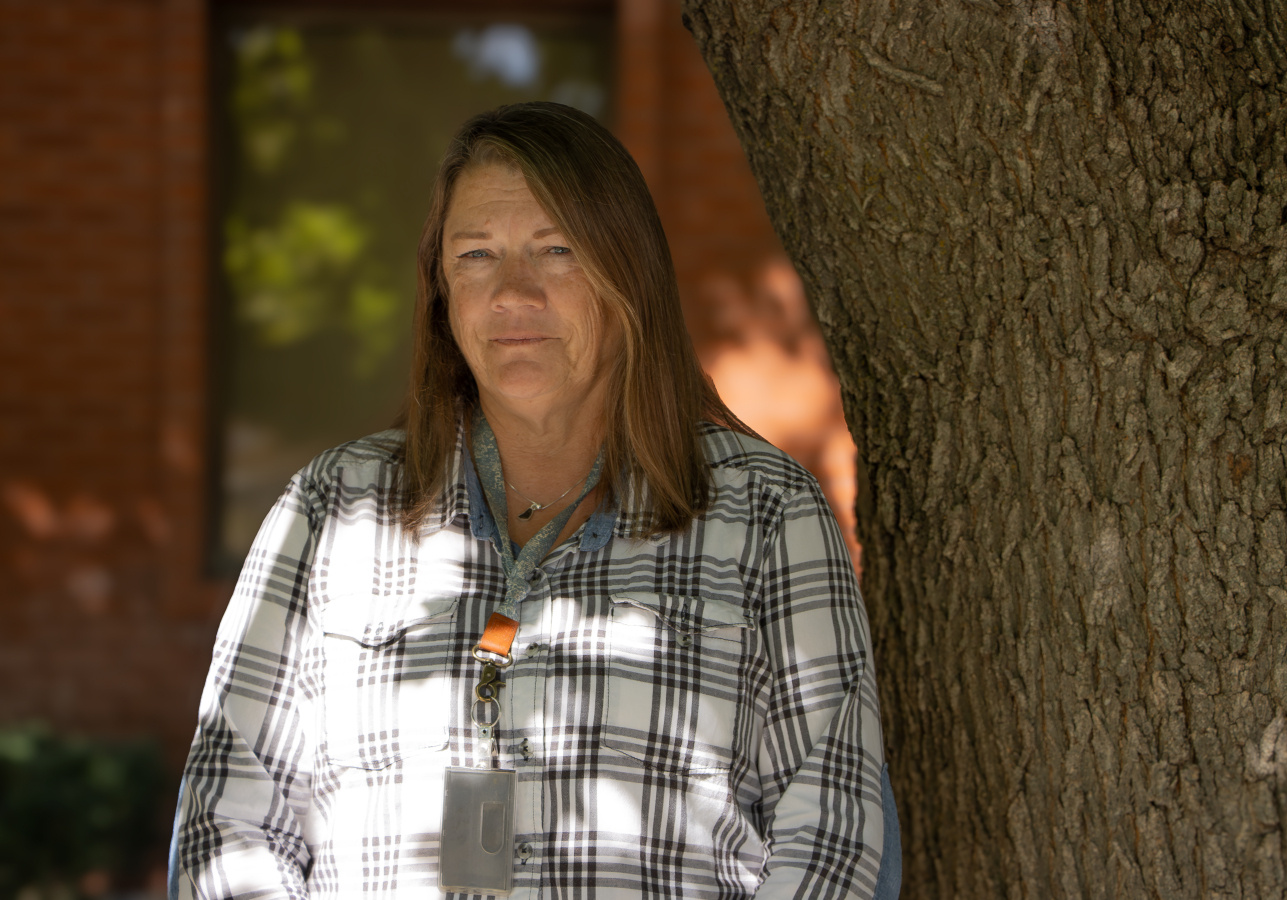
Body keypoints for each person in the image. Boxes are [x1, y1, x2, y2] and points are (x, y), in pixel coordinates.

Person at [171, 101, 897, 899]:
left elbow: (832, 837)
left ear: (629, 275)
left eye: (557, 250)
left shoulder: (766, 513)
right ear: (442, 290)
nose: (513, 293)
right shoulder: (330, 508)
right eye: (476, 254)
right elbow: (229, 823)